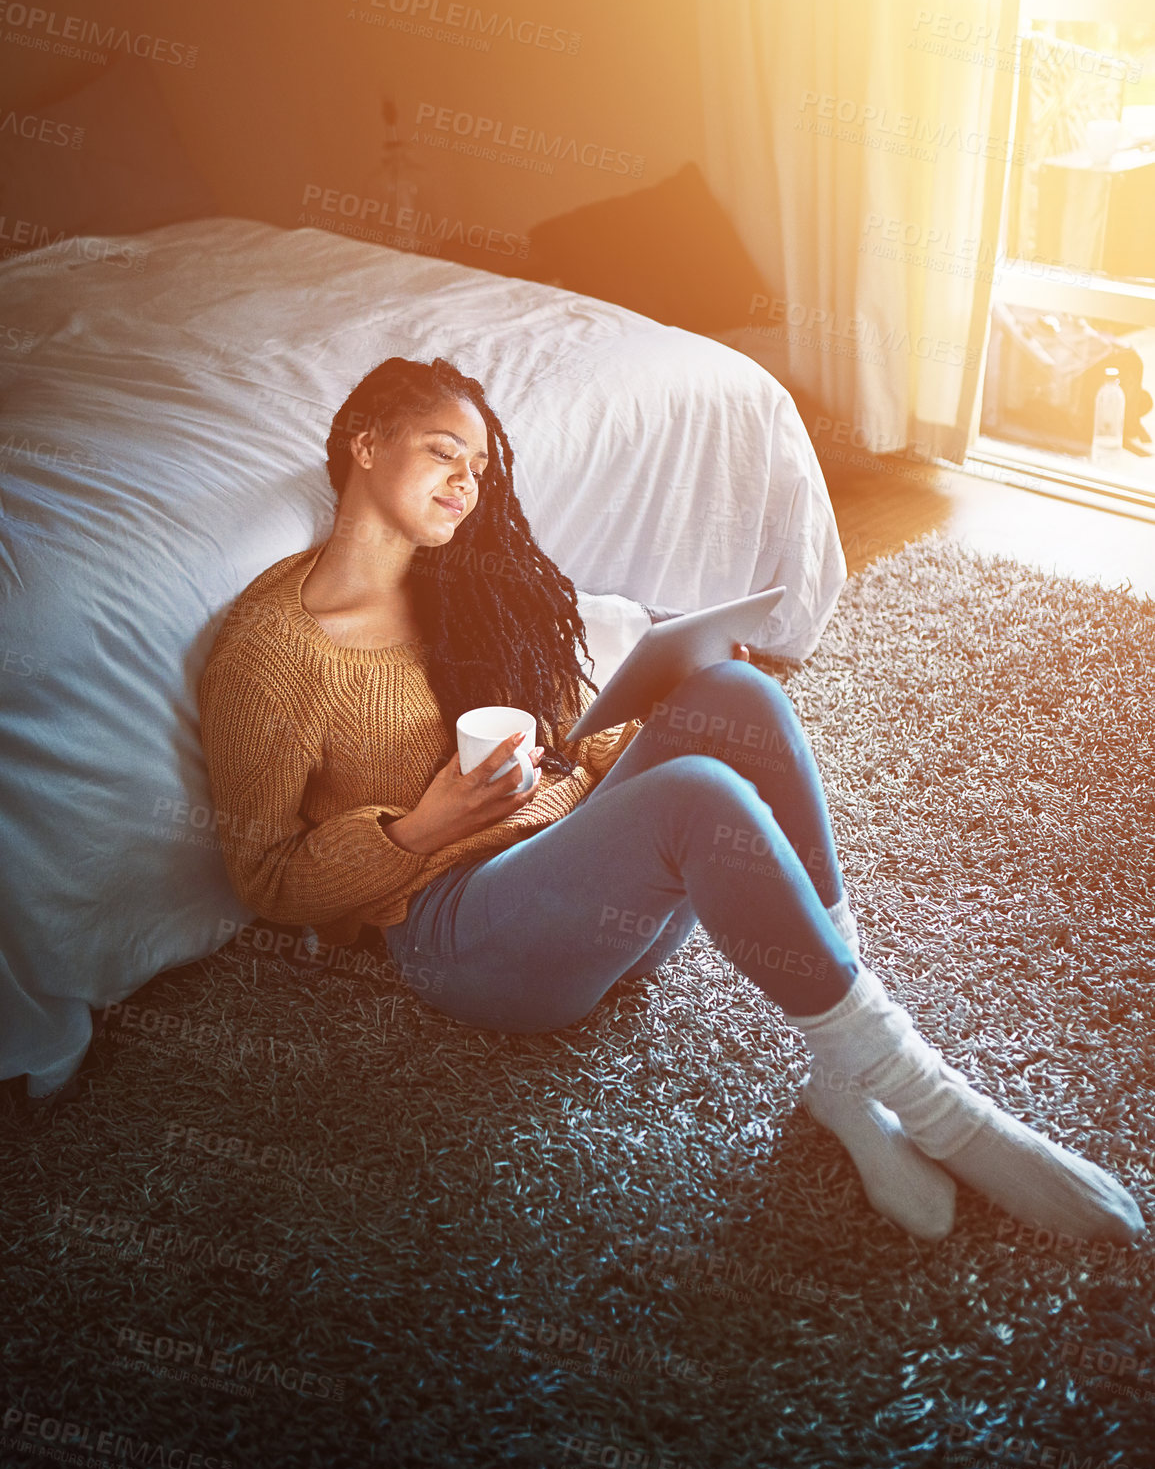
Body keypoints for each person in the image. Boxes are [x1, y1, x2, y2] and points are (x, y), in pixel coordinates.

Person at [198, 356, 1144, 1248]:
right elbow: (263, 876)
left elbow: (562, 733)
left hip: (587, 894)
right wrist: (418, 828)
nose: (467, 484)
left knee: (737, 697)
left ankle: (844, 1073)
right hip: (464, 942)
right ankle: (929, 1096)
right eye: (445, 453)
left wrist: (626, 724)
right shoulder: (275, 649)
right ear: (364, 443)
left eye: (481, 467)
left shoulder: (460, 588)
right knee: (694, 793)